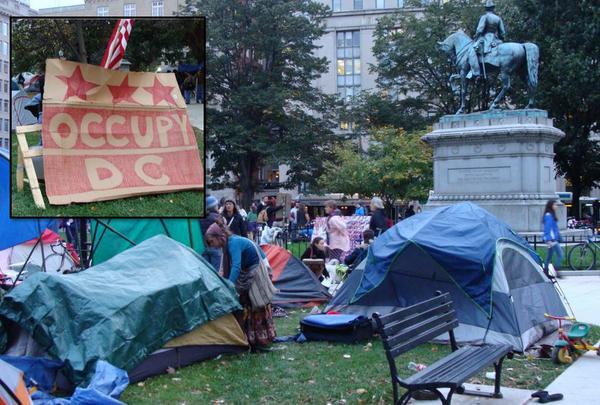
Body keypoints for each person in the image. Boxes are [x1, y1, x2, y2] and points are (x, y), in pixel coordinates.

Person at [205, 221, 276, 350]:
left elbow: (236, 266)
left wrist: (230, 286)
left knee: (255, 302)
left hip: (257, 268)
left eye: (211, 241)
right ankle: (249, 337)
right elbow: (223, 268)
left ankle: (260, 338)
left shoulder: (233, 243)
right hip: (248, 268)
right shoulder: (226, 246)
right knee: (245, 301)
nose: (211, 245)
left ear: (218, 237)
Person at [472, 0, 506, 78]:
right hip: (495, 39)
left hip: (485, 38)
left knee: (472, 50)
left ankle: (475, 72)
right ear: (493, 8)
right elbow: (502, 33)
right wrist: (501, 39)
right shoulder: (498, 18)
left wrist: (476, 36)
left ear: (486, 8)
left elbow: (480, 29)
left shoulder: (484, 17)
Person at [201, 195, 223, 270]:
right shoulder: (217, 217)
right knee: (215, 272)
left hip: (204, 247)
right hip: (216, 247)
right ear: (214, 206)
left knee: (207, 271)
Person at [543, 200, 562, 278]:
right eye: (555, 205)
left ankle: (546, 272)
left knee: (549, 257)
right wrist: (548, 239)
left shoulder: (550, 215)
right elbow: (547, 228)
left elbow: (554, 228)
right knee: (560, 255)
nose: (556, 206)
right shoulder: (548, 215)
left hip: (552, 239)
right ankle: (556, 268)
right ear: (551, 206)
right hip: (552, 240)